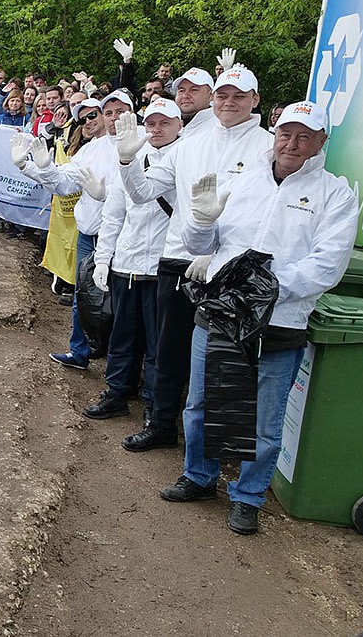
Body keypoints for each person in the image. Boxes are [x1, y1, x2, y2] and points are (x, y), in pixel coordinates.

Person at [163, 101, 358, 535]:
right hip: (222, 313)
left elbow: (328, 264)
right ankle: (199, 477)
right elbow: (203, 243)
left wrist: (266, 289)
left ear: (322, 142)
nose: (292, 144)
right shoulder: (243, 179)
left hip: (281, 322)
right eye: (286, 133)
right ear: (275, 134)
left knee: (265, 422)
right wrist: (200, 221)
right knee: (202, 405)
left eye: (305, 136)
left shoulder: (335, 194)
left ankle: (248, 497)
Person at [115, 65, 273, 452]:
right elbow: (143, 193)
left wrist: (220, 254)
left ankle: (215, 447)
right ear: (214, 99)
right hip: (179, 260)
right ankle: (163, 424)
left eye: (239, 96)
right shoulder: (190, 143)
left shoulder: (267, 147)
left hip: (234, 270)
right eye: (223, 95)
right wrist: (127, 162)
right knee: (169, 350)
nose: (230, 103)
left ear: (255, 100)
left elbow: (266, 215)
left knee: (225, 359)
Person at [82, 98, 183, 421]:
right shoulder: (131, 154)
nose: (156, 129)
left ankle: (155, 407)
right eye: (151, 123)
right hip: (126, 264)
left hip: (161, 267)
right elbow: (114, 214)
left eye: (164, 123)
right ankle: (117, 393)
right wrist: (103, 258)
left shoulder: (188, 158)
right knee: (122, 337)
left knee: (158, 345)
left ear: (179, 125)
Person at [14, 92, 129, 370]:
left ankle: (119, 366)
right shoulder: (91, 150)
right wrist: (31, 166)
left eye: (94, 115)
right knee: (84, 296)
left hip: (124, 238)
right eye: (84, 118)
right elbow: (64, 184)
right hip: (89, 235)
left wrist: (107, 194)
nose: (89, 121)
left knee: (121, 305)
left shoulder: (140, 147)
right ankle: (79, 352)